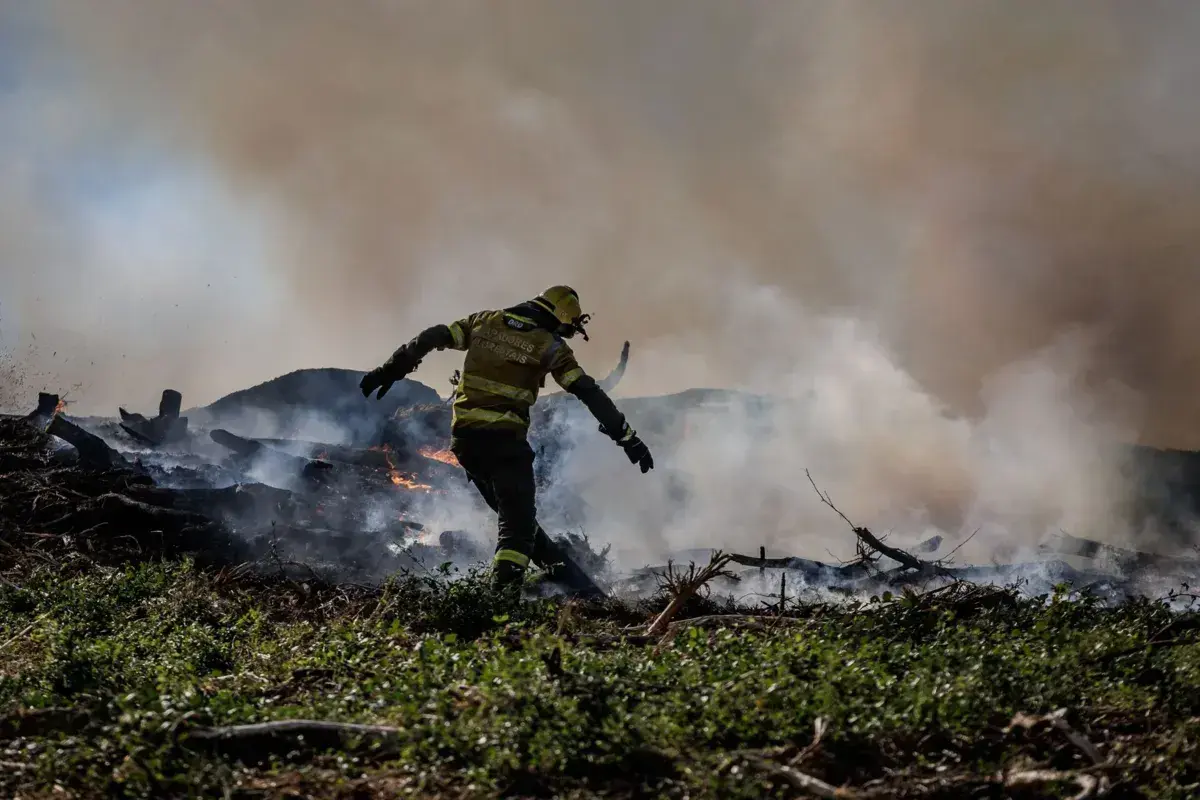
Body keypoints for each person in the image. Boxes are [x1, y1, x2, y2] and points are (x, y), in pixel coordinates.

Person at [359, 285, 653, 589]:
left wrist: (393, 368)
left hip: (465, 443)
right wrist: (627, 437)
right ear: (561, 317)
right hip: (505, 446)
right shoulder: (550, 345)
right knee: (517, 533)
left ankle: (580, 588)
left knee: (522, 525)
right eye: (567, 328)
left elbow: (434, 335)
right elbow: (589, 392)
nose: (565, 333)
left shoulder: (485, 320)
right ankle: (499, 601)